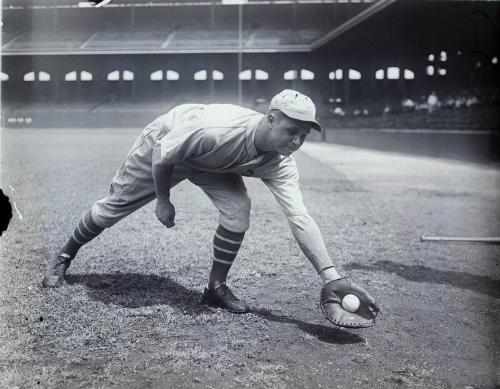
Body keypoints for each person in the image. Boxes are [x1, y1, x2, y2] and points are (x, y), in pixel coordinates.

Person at [42, 90, 377, 325]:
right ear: (271, 119)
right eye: (291, 131)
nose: (296, 142)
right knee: (112, 209)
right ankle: (65, 256)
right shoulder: (216, 129)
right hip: (168, 143)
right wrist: (163, 199)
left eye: (303, 136)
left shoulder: (281, 162)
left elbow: (300, 218)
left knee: (238, 211)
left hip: (215, 165)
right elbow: (163, 155)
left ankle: (215, 288)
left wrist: (331, 276)